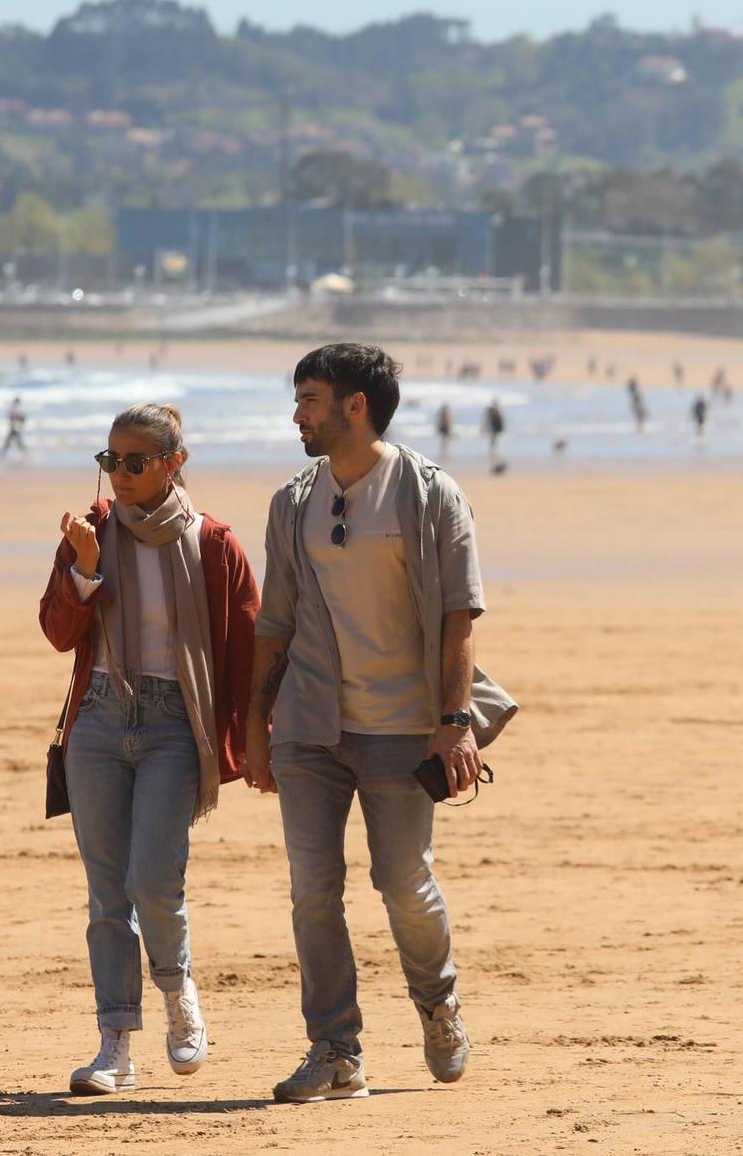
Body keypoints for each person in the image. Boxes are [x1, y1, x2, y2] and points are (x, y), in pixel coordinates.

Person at [244, 343, 517, 1102]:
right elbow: (276, 620)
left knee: (403, 880)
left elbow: (458, 615)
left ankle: (438, 1002)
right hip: (310, 722)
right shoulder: (293, 501)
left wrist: (455, 721)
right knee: (311, 887)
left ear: (354, 405)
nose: (297, 413)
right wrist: (256, 722)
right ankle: (335, 1048)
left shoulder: (429, 494)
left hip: (404, 725)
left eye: (309, 399)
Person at [38, 403, 260, 1095]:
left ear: (174, 463)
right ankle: (114, 1044)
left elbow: (248, 651)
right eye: (110, 461)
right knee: (108, 895)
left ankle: (178, 992)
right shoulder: (91, 532)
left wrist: (255, 739)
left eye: (136, 461)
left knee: (153, 882)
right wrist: (85, 568)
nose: (121, 474)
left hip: (174, 722)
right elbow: (56, 630)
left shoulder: (212, 542)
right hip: (99, 720)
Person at [1, 395, 29, 460]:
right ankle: (25, 455)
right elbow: (14, 417)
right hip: (14, 428)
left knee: (13, 443)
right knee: (14, 443)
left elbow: (22, 419)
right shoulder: (15, 409)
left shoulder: (17, 409)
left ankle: (25, 455)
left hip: (15, 428)